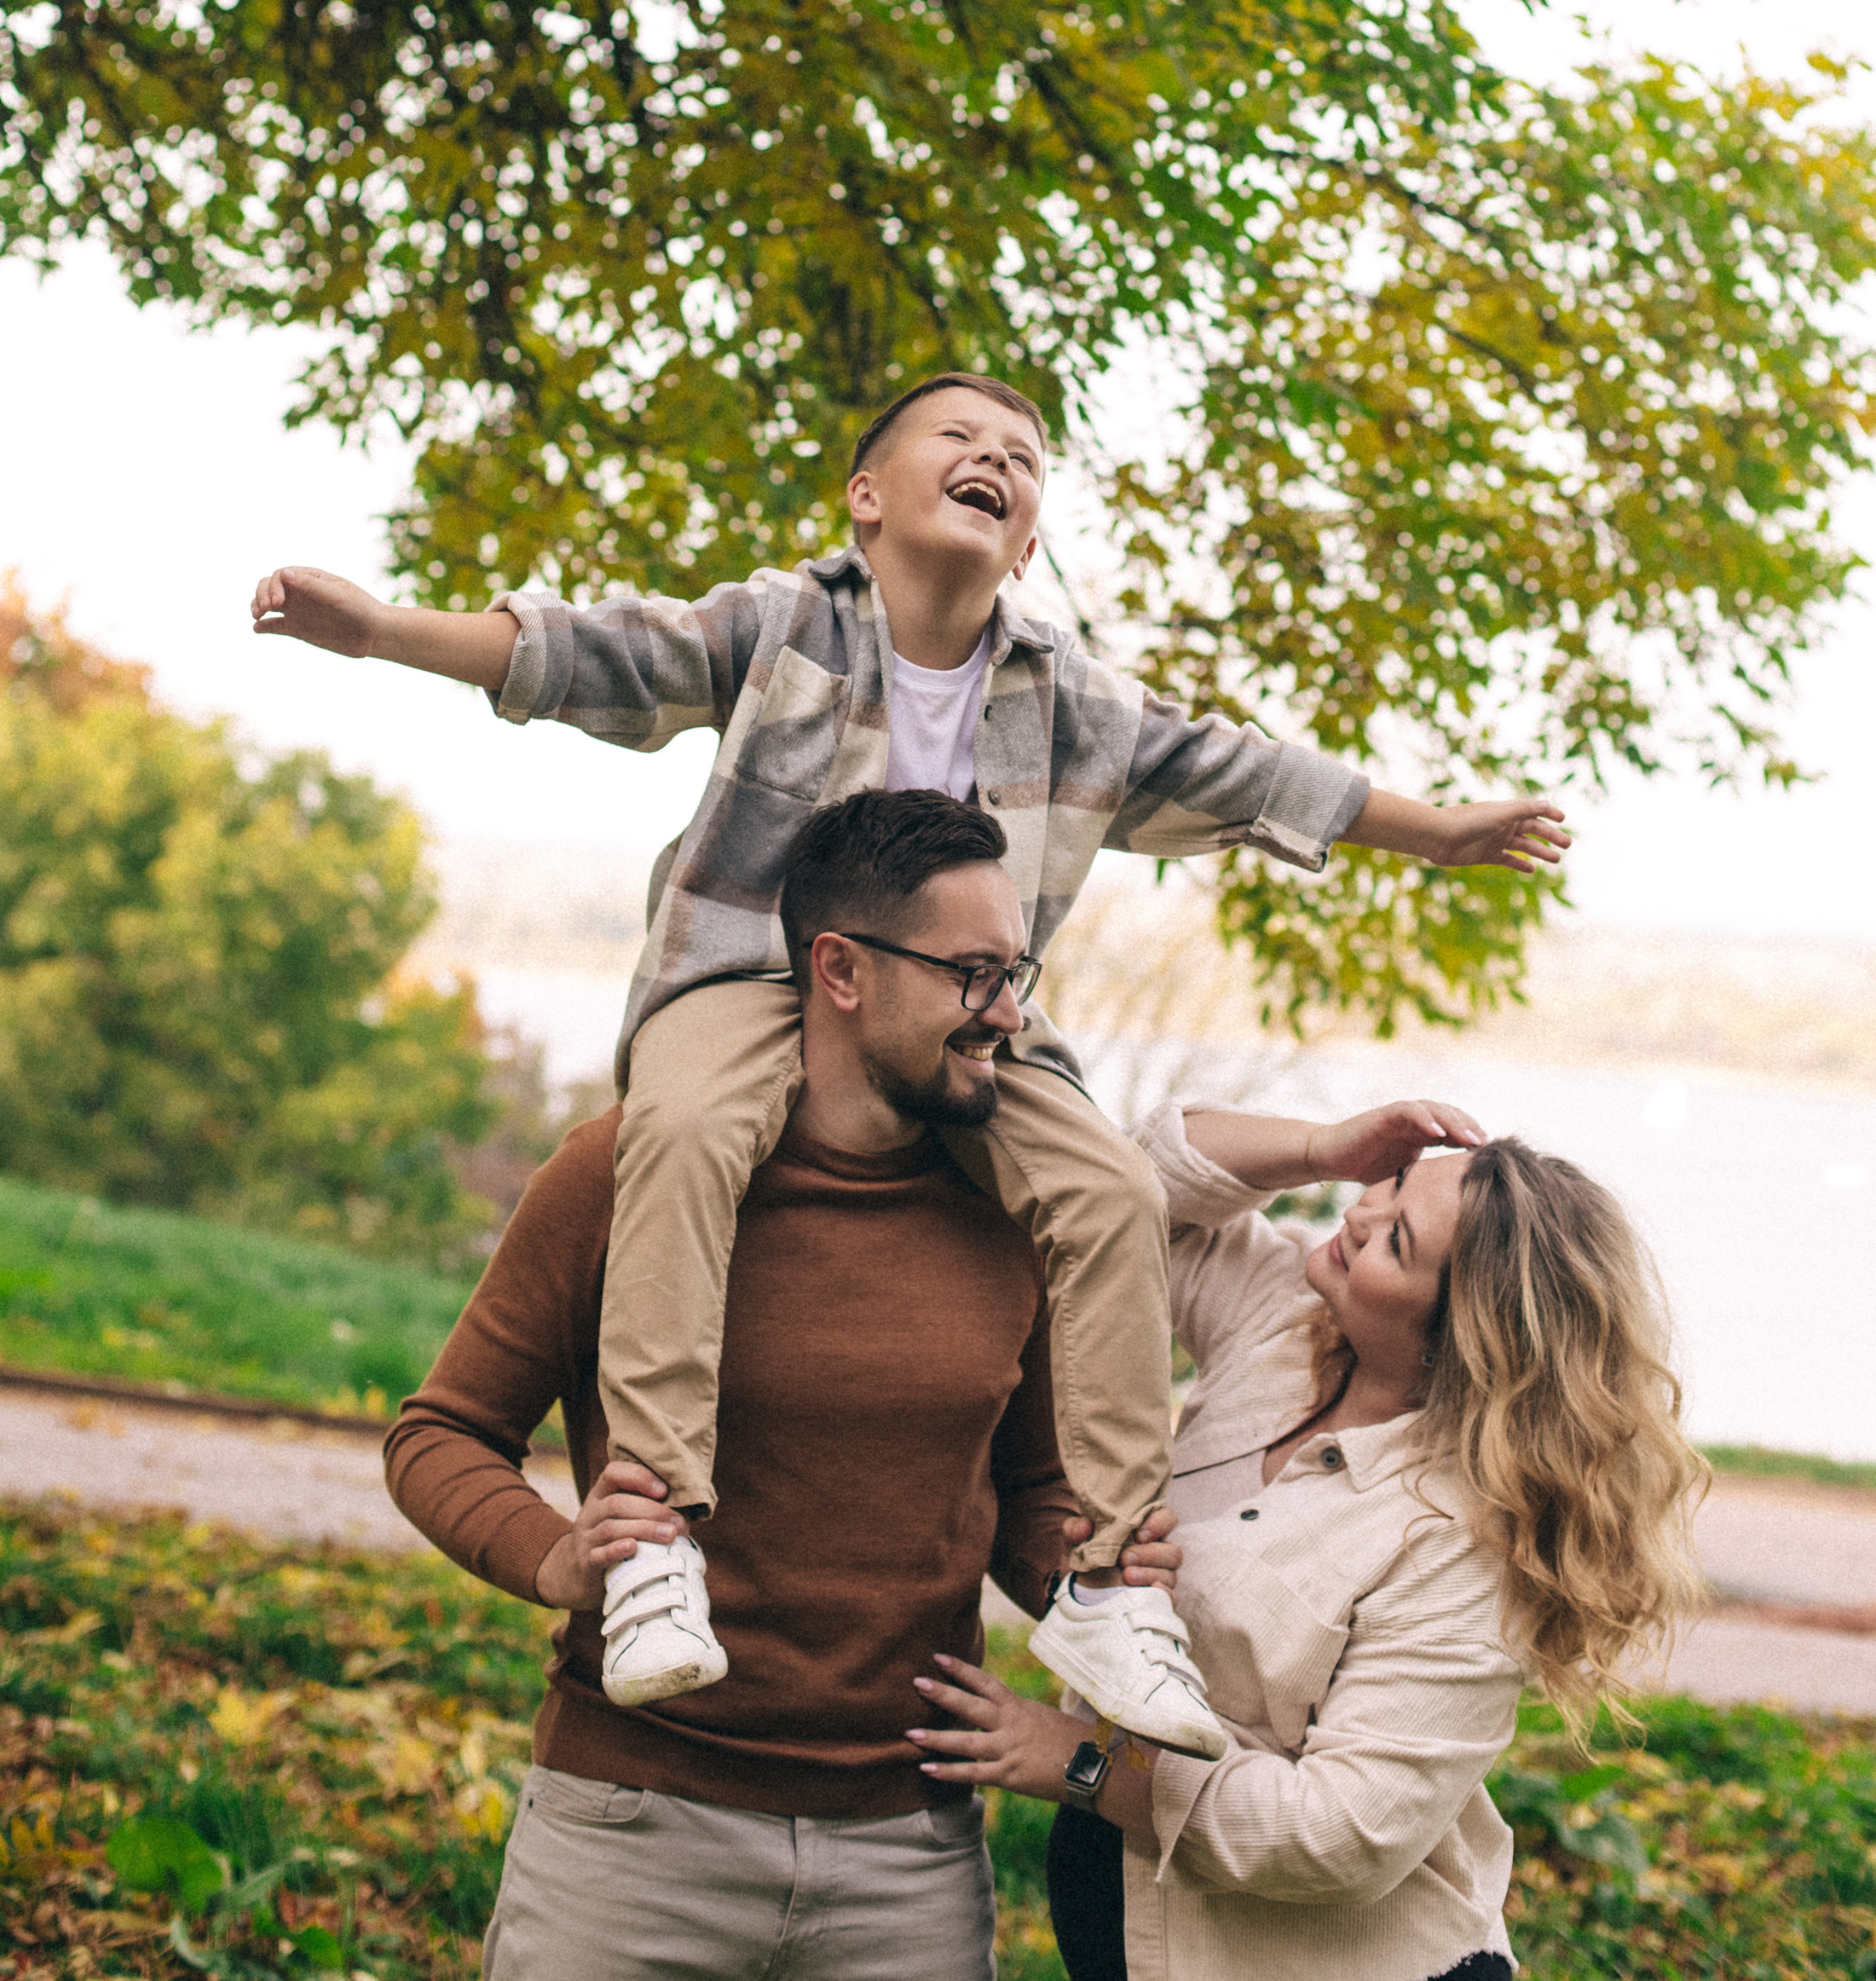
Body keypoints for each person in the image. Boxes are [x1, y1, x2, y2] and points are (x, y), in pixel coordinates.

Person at [258, 369, 1568, 1742]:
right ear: (868, 498)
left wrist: (1446, 834)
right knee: (689, 1134)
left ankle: (1115, 1587)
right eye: (961, 437)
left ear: (1029, 543)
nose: (996, 459)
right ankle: (653, 1548)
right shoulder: (786, 628)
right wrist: (380, 634)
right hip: (746, 969)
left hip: (970, 1012)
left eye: (1025, 459)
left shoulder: (1071, 702)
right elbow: (598, 654)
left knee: (1112, 1192)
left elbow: (1255, 777)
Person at [386, 788, 1090, 1981]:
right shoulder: (629, 1167)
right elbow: (440, 1435)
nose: (1010, 1013)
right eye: (974, 975)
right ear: (841, 970)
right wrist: (558, 1560)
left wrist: (1087, 1571)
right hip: (631, 1835)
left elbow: (1028, 1495)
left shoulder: (1016, 1209)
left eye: (1015, 971)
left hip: (906, 1861)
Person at [908, 1091, 1704, 1981]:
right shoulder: (1291, 1324)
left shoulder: (1465, 1540)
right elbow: (1125, 1189)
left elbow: (1338, 1839)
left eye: (1396, 1240)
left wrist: (1080, 1765)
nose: (1359, 1213)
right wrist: (1325, 1147)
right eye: (1390, 1186)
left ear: (1460, 1337)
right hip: (1132, 1930)